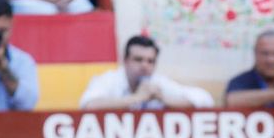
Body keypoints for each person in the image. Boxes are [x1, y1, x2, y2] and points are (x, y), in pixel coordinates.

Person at [79, 34, 214, 109]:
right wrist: (137, 98)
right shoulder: (109, 80)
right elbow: (89, 105)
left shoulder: (157, 82)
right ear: (125, 61)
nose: (145, 66)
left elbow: (205, 99)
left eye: (150, 61)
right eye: (138, 60)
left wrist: (164, 99)